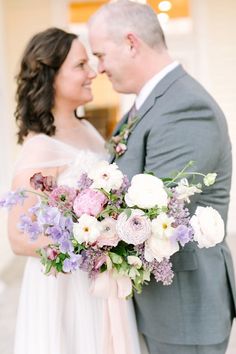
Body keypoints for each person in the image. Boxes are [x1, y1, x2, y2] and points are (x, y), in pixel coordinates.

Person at [88, 1, 236, 353]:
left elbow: (154, 216)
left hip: (183, 310)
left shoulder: (185, 107)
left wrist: (86, 225)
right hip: (158, 307)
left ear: (131, 43)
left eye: (101, 55)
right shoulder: (148, 103)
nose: (100, 68)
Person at [9, 27, 142, 354]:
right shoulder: (41, 147)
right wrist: (94, 237)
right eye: (81, 65)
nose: (93, 73)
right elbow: (18, 238)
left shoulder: (88, 130)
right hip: (63, 289)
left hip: (99, 282)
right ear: (52, 75)